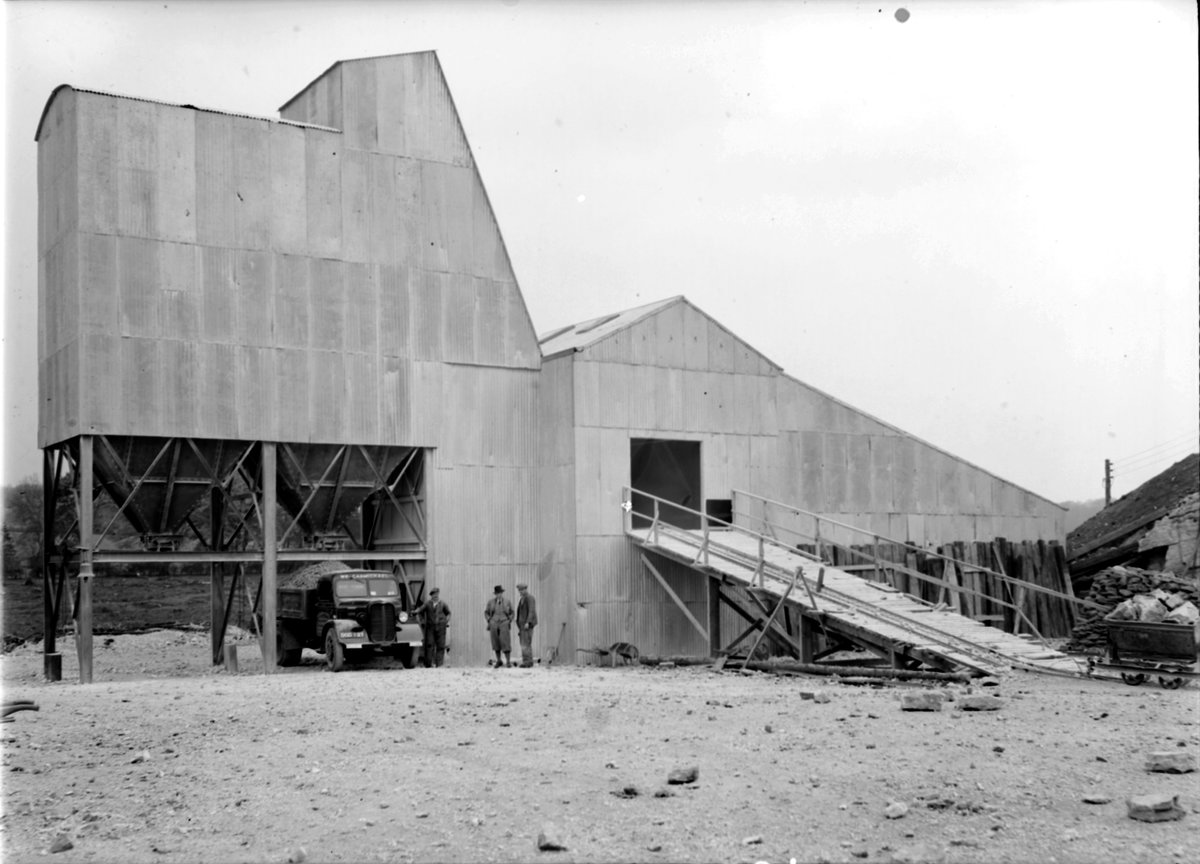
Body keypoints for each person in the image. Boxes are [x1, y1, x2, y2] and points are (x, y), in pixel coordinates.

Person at [415, 587, 451, 668]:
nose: (435, 596)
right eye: (434, 595)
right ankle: (428, 664)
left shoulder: (442, 604)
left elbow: (448, 613)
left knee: (441, 645)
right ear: (431, 596)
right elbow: (420, 610)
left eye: (437, 594)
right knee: (429, 645)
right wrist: (418, 616)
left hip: (441, 627)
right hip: (430, 627)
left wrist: (446, 621)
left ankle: (439, 664)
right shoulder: (428, 604)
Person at [484, 584, 513, 668]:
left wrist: (509, 620)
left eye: (500, 593)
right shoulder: (490, 602)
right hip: (494, 623)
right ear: (495, 594)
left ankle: (508, 661)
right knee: (495, 641)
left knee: (506, 641)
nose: (498, 595)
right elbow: (486, 612)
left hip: (504, 622)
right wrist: (489, 620)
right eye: (497, 593)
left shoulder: (507, 601)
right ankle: (499, 660)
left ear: (502, 593)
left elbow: (512, 612)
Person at [515, 583, 538, 668]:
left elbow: (531, 611)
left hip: (527, 625)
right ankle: (526, 661)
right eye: (519, 590)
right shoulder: (522, 599)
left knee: (526, 643)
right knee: (523, 643)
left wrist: (528, 622)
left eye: (522, 590)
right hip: (522, 625)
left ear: (525, 589)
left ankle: (528, 662)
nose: (520, 592)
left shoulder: (530, 598)